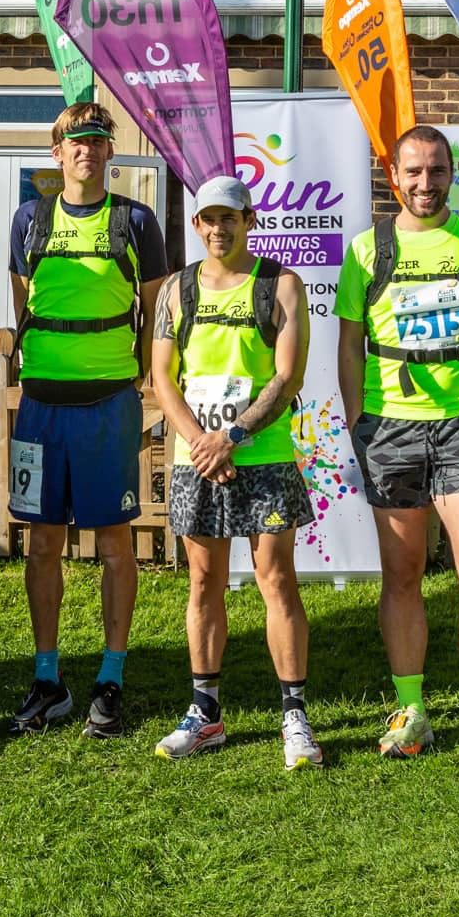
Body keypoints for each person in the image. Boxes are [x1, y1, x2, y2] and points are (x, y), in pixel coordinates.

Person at [335, 125, 459, 775]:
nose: (425, 182)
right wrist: (360, 421)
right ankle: (411, 708)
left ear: (453, 172)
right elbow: (349, 345)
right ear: (393, 175)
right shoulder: (368, 250)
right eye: (412, 171)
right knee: (403, 574)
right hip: (390, 428)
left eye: (436, 170)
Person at [148, 176, 322, 769]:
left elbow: (288, 376)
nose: (218, 229)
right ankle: (205, 713)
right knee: (203, 583)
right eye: (208, 219)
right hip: (198, 459)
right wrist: (202, 443)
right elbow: (162, 379)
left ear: (249, 220)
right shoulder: (175, 290)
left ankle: (294, 715)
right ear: (196, 225)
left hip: (263, 455)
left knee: (276, 580)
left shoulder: (281, 286)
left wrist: (233, 436)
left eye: (230, 217)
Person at [6, 102, 167, 738]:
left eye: (98, 141)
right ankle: (48, 677)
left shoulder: (137, 221)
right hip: (42, 408)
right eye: (75, 142)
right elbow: (21, 306)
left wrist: (150, 382)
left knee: (114, 542)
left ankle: (111, 677)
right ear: (57, 153)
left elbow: (156, 312)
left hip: (109, 406)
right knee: (42, 542)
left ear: (109, 152)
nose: (86, 151)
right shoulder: (29, 219)